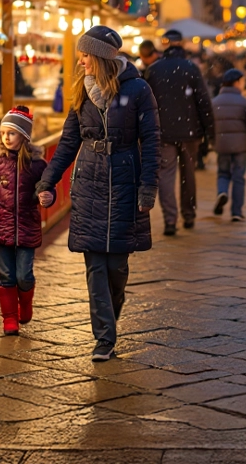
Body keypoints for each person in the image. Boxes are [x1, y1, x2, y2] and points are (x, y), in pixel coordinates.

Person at [36, 26, 160, 361]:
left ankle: (110, 317)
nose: (81, 61)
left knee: (117, 267)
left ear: (101, 57)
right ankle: (104, 337)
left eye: (85, 55)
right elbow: (67, 143)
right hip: (89, 180)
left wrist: (148, 186)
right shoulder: (80, 91)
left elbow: (151, 141)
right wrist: (47, 181)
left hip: (125, 178)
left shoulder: (138, 91)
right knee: (95, 266)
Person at [0, 106, 54, 335]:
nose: (6, 138)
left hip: (27, 228)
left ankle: (25, 303)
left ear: (24, 135)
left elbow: (47, 190)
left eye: (12, 133)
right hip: (0, 228)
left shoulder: (37, 165)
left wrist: (47, 197)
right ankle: (9, 318)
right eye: (3, 133)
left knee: (24, 275)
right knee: (6, 275)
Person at [146, 29, 214, 235]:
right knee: (189, 174)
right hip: (190, 132)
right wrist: (209, 130)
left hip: (163, 131)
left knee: (166, 175)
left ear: (164, 46)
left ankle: (170, 220)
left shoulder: (154, 69)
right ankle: (189, 215)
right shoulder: (191, 68)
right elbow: (203, 101)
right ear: (182, 45)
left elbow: (146, 102)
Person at [212, 68, 246, 222]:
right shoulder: (243, 101)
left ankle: (222, 192)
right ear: (237, 82)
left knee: (223, 172)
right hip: (240, 145)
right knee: (239, 177)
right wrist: (244, 126)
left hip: (222, 144)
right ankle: (236, 212)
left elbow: (209, 122)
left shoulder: (215, 102)